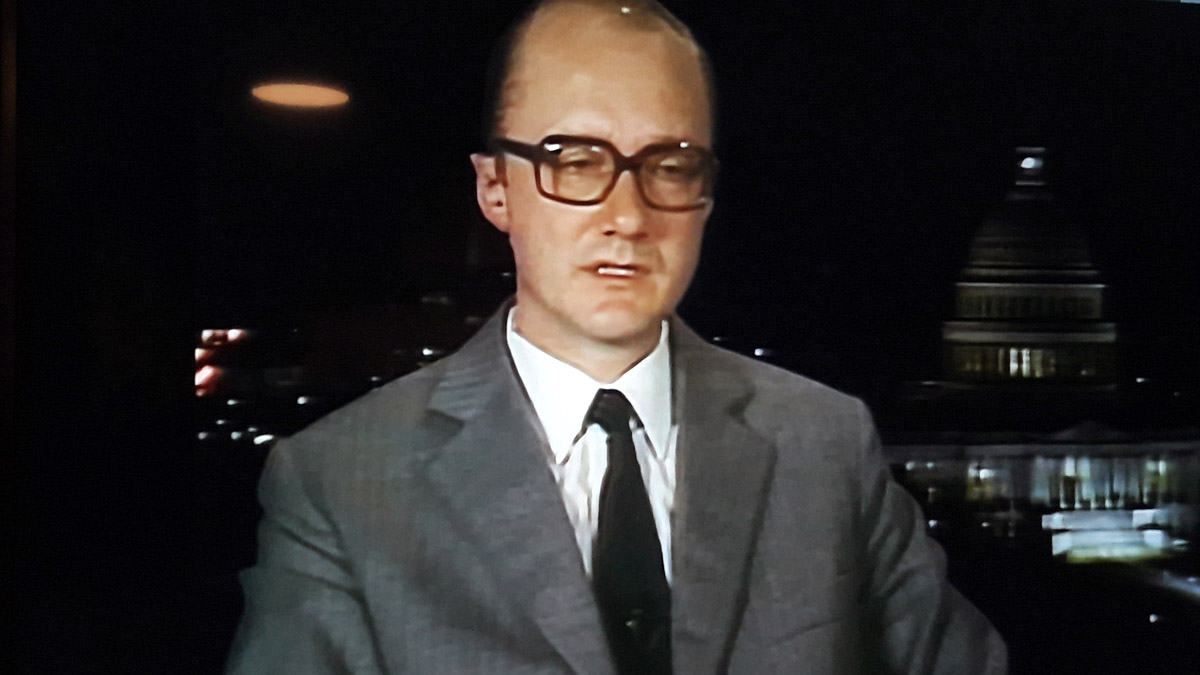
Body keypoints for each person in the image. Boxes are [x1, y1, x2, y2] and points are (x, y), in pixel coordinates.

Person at [226, 1, 1008, 673]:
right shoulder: (341, 481)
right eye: (574, 161)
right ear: (495, 188)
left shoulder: (825, 443)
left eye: (669, 165)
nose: (628, 217)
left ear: (706, 195)